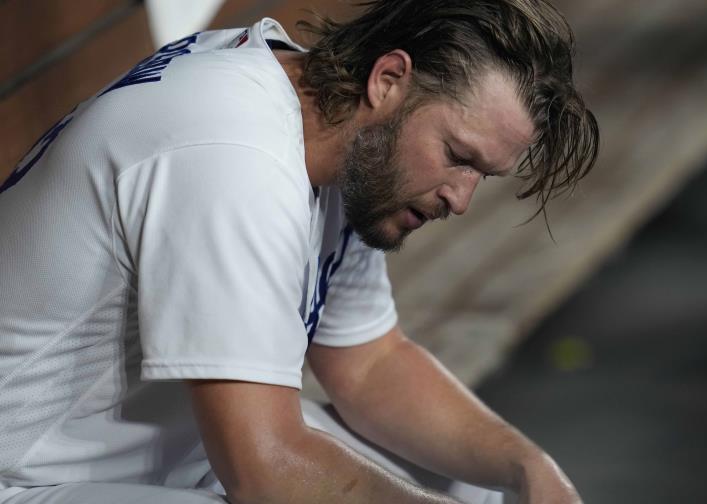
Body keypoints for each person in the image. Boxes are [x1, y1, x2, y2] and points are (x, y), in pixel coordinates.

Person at [0, 1, 598, 502]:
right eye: (458, 156)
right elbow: (267, 468)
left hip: (165, 460)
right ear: (388, 80)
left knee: (481, 487)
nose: (461, 198)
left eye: (482, 175)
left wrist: (530, 466)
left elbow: (369, 364)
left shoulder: (343, 144)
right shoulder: (236, 156)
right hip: (31, 477)